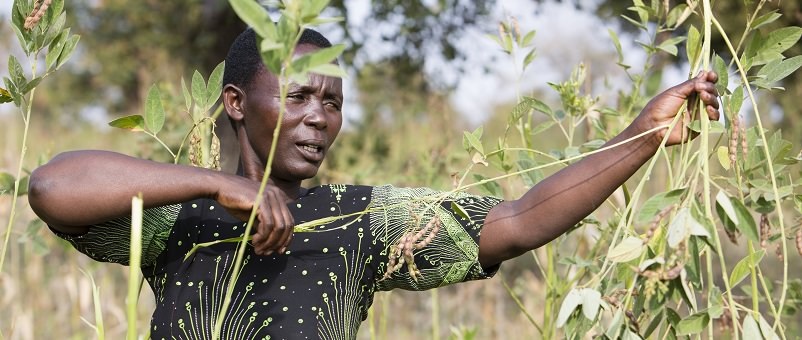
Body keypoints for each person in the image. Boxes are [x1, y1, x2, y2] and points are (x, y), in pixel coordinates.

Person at [28, 27, 720, 339]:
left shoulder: (361, 218)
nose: (318, 118)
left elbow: (520, 220)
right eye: (298, 97)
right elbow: (54, 186)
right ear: (236, 103)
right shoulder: (176, 220)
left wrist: (642, 137)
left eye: (332, 102)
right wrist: (216, 186)